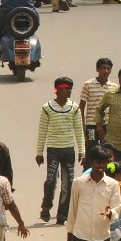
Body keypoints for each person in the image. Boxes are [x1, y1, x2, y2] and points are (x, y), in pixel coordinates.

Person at [36, 76, 86, 225]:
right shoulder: (47, 108)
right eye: (67, 88)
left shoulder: (74, 108)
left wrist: (82, 151)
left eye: (71, 88)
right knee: (51, 181)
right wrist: (39, 153)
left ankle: (62, 214)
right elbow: (42, 131)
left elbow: (79, 130)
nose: (69, 91)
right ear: (58, 89)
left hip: (68, 150)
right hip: (53, 150)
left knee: (68, 183)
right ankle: (46, 207)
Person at [66, 145, 121, 241]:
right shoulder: (78, 183)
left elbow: (116, 209)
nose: (100, 166)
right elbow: (72, 211)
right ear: (91, 163)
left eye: (103, 163)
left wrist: (110, 213)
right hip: (80, 237)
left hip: (101, 238)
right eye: (97, 162)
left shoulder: (113, 185)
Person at [79, 58, 114, 146]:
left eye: (108, 68)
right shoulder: (88, 84)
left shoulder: (114, 87)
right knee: (91, 151)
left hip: (107, 125)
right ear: (97, 69)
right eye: (103, 68)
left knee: (106, 152)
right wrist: (83, 130)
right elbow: (81, 108)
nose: (106, 71)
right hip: (91, 125)